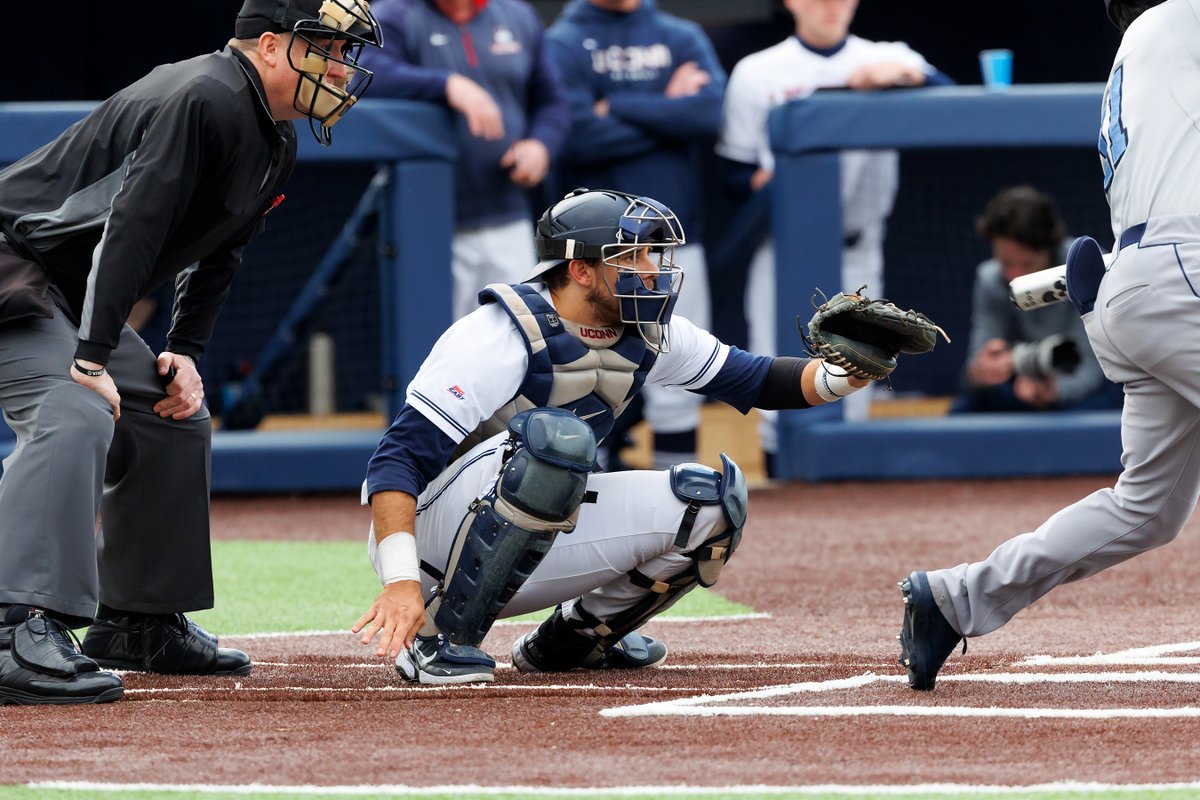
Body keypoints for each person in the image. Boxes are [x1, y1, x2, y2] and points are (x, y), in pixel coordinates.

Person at [0, 0, 382, 706]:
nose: (339, 67)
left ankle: (138, 620)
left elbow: (221, 251)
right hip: (14, 270)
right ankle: (11, 627)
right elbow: (133, 228)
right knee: (75, 415)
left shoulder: (275, 135)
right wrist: (89, 359)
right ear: (270, 46)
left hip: (64, 287)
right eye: (326, 48)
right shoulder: (202, 95)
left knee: (169, 414)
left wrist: (185, 350)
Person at [351, 188, 886, 684]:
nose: (652, 271)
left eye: (654, 255)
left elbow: (759, 379)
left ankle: (574, 641)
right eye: (632, 257)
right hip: (430, 545)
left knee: (712, 504)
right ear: (581, 270)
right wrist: (399, 583)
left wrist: (847, 373)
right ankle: (435, 639)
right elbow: (397, 461)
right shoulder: (499, 332)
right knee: (555, 444)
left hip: (538, 525)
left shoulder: (651, 330)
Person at [898, 0, 1200, 691]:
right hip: (1181, 271)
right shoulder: (1182, 19)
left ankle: (956, 597)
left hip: (1141, 281)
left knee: (1146, 509)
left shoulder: (1147, 48)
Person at [716, 0, 952, 471]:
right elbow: (732, 171)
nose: (828, 5)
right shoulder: (758, 70)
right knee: (775, 373)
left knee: (862, 375)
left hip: (858, 247)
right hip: (784, 250)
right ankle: (786, 495)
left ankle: (846, 506)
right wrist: (757, 183)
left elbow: (948, 95)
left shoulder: (888, 54)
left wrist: (895, 77)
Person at [544, 0, 726, 470]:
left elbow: (707, 114)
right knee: (585, 373)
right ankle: (579, 503)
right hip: (592, 248)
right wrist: (667, 109)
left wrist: (616, 107)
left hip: (673, 239)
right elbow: (576, 135)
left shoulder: (680, 35)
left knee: (680, 374)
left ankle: (681, 501)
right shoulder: (564, 40)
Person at [364, 0, 570, 321]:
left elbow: (553, 101)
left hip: (508, 216)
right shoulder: (394, 15)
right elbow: (363, 73)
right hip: (427, 225)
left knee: (519, 338)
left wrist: (540, 146)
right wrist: (446, 84)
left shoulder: (516, 15)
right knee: (434, 342)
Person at [952, 186, 1121, 413]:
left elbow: (1094, 365)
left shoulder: (1085, 265)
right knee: (963, 410)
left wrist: (1055, 391)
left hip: (1084, 390)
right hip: (1021, 388)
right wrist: (980, 374)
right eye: (1006, 263)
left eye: (1027, 264)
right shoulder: (990, 279)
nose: (1015, 276)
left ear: (1050, 248)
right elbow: (975, 365)